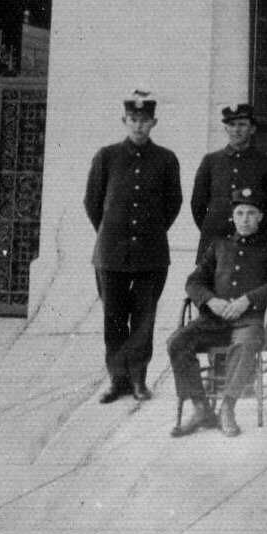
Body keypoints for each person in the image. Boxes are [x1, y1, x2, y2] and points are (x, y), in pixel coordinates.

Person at [85, 89, 183, 404]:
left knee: (143, 319)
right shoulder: (106, 156)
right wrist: (111, 233)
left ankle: (139, 380)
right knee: (113, 319)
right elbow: (93, 203)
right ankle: (118, 380)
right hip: (111, 254)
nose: (138, 126)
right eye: (133, 120)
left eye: (144, 120)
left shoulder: (166, 159)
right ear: (124, 121)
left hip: (151, 255)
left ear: (154, 123)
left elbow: (173, 204)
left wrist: (150, 233)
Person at [168, 186, 267, 437]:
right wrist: (211, 300)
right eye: (240, 213)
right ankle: (201, 408)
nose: (245, 219)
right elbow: (194, 281)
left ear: (260, 217)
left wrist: (249, 300)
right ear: (233, 216)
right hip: (214, 321)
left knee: (245, 345)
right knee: (177, 341)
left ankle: (227, 407)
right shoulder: (219, 245)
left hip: (249, 321)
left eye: (251, 213)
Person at [188, 102, 267, 259]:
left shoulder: (266, 164)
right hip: (215, 241)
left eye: (242, 125)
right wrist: (213, 229)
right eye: (231, 125)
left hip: (253, 245)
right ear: (226, 129)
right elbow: (198, 205)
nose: (236, 130)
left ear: (252, 129)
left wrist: (260, 235)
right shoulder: (211, 161)